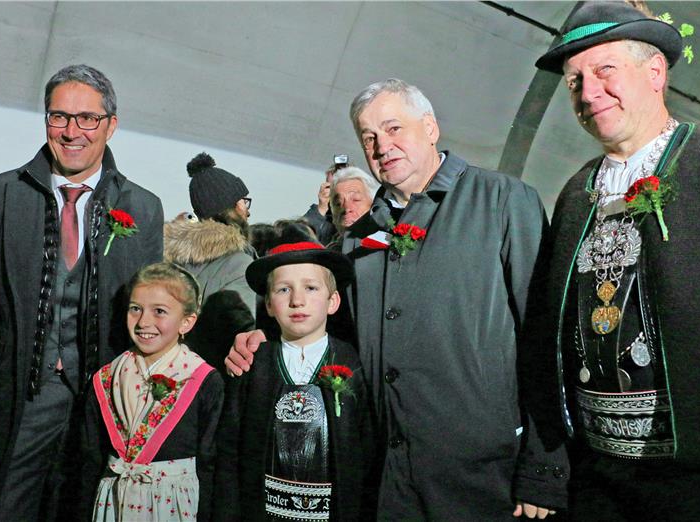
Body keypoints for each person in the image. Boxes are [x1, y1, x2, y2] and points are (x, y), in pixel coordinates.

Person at [227, 79, 567, 520]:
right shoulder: (359, 237)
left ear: (430, 127)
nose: (381, 146)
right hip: (389, 479)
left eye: (393, 128)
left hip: (484, 476)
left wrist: (544, 467)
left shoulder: (502, 201)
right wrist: (266, 340)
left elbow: (544, 334)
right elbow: (334, 335)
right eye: (368, 137)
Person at [530, 2, 700, 519]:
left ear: (655, 72)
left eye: (605, 70)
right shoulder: (575, 191)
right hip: (599, 477)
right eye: (575, 81)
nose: (588, 92)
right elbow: (545, 334)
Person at [0, 64, 164, 520]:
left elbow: (152, 317)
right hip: (16, 404)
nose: (71, 131)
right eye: (59, 116)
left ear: (111, 126)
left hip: (102, 412)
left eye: (87, 118)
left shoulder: (143, 207)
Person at [215, 242, 376, 521]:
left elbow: (366, 448)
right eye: (283, 289)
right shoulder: (253, 362)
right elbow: (230, 448)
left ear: (333, 301)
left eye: (311, 288)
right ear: (268, 304)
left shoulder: (351, 361)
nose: (297, 300)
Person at [81, 262, 223, 521]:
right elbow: (89, 457)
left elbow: (210, 461)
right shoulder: (106, 378)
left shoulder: (203, 380)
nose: (143, 322)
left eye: (159, 311)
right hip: (114, 502)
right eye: (135, 309)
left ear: (186, 322)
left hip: (174, 506)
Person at [163, 152, 256, 376]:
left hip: (169, 372)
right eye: (244, 202)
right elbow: (241, 336)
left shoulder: (173, 258)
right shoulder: (240, 264)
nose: (248, 210)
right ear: (234, 207)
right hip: (212, 377)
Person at [328, 166, 379, 236]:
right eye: (338, 203)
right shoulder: (327, 242)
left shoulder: (391, 239)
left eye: (356, 200)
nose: (346, 208)